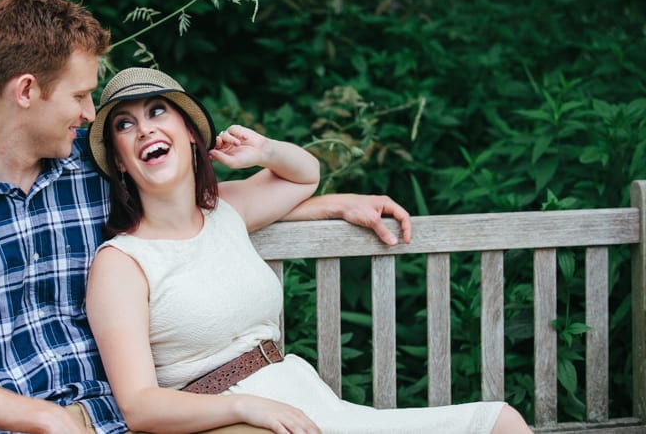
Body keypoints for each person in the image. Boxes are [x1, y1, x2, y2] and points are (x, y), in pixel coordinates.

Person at [0, 0, 413, 434]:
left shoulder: (90, 175)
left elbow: (182, 214)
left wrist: (329, 206)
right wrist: (40, 416)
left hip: (131, 419)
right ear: (26, 90)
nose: (88, 113)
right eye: (80, 97)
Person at [85, 67, 533, 434]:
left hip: (303, 399)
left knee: (499, 424)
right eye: (126, 125)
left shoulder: (225, 211)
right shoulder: (122, 263)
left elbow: (303, 176)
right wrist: (245, 408)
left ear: (188, 134)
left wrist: (264, 150)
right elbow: (139, 406)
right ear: (120, 160)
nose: (145, 129)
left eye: (157, 112)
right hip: (222, 422)